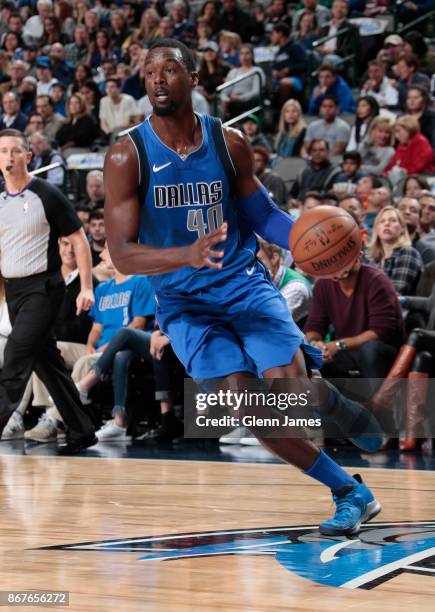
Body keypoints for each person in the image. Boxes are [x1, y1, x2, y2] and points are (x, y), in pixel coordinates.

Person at [104, 38, 382, 536]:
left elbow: (264, 216)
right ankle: (350, 491)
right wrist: (183, 256)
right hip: (185, 302)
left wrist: (307, 240)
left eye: (170, 69)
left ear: (194, 78)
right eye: (150, 73)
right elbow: (122, 253)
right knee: (247, 404)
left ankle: (331, 401)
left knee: (290, 392)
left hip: (243, 284)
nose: (159, 79)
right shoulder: (127, 156)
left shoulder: (228, 143)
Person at [0, 128, 96, 452]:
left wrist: (86, 286)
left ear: (28, 156)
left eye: (15, 151)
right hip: (14, 292)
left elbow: (80, 240)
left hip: (44, 288)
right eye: (3, 151)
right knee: (48, 366)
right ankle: (82, 430)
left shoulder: (46, 194)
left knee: (14, 356)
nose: (9, 157)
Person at [305, 255, 405, 398]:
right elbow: (313, 326)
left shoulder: (376, 280)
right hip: (348, 351)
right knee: (313, 358)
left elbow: (381, 332)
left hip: (384, 350)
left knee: (370, 350)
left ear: (358, 257)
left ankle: (381, 411)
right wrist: (317, 345)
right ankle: (331, 413)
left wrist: (339, 345)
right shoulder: (322, 284)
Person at [369, 206, 423, 296]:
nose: (387, 224)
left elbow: (395, 293)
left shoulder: (408, 253)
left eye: (393, 220)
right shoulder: (374, 260)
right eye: (382, 221)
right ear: (377, 229)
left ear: (402, 228)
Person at [253, 146, 287, 211]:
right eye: (252, 160)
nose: (254, 163)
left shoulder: (275, 179)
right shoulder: (250, 180)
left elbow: (277, 204)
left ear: (265, 163)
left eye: (258, 161)